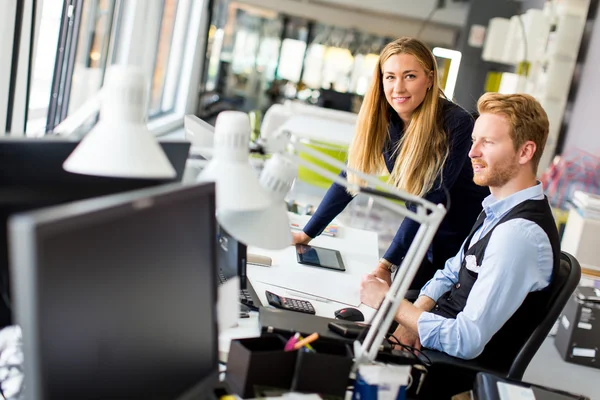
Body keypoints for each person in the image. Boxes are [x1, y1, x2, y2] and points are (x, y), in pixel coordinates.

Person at [360, 93, 560, 376]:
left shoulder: (518, 235)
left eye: (487, 143)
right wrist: (409, 321)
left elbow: (466, 340)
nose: (472, 152)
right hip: (431, 341)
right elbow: (451, 271)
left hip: (444, 370)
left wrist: (390, 304)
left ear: (525, 152)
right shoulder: (496, 209)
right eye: (474, 140)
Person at [292, 37, 489, 289]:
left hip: (461, 243)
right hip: (422, 237)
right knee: (392, 310)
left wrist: (387, 264)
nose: (398, 88)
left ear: (429, 79)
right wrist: (308, 233)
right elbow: (350, 177)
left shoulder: (456, 122)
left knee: (410, 313)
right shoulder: (386, 120)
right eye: (390, 77)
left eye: (409, 76)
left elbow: (429, 199)